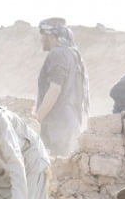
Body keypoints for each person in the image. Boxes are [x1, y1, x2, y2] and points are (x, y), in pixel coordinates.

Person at [35, 17, 89, 159]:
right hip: (69, 125)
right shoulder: (72, 54)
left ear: (51, 35)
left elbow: (55, 89)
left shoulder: (57, 54)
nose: (41, 40)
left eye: (44, 36)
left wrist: (36, 120)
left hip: (57, 127)